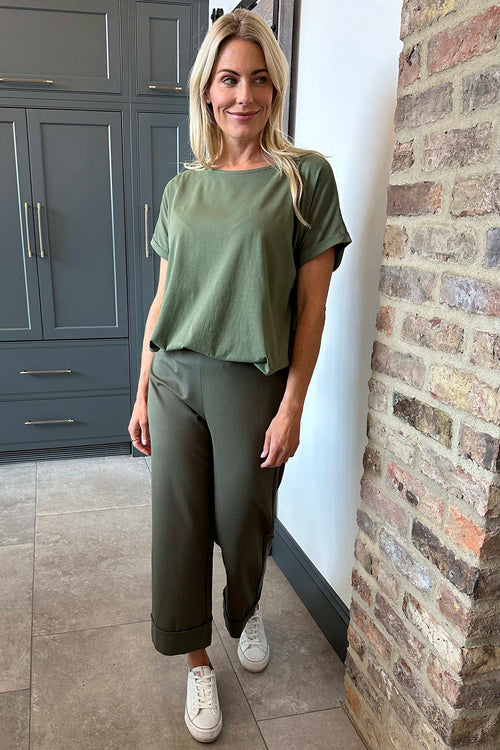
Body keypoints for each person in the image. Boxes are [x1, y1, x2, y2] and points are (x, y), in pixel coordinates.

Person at [128, 8, 352, 744]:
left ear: (275, 89)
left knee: (242, 519)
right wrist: (142, 389)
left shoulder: (304, 178)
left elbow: (312, 308)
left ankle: (245, 607)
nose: (243, 96)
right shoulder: (183, 188)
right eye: (229, 79)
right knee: (180, 526)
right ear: (207, 89)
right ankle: (197, 662)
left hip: (251, 377)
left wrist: (292, 406)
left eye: (259, 80)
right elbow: (165, 298)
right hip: (175, 376)